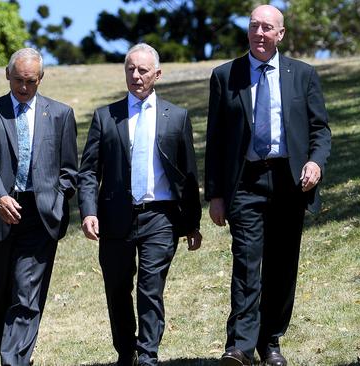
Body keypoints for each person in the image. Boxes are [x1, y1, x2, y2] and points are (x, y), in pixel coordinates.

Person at [205, 4, 331, 366]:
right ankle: (240, 346)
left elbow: (320, 129)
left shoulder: (302, 74)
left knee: (281, 265)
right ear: (248, 31)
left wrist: (315, 162)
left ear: (281, 34)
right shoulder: (225, 75)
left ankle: (270, 341)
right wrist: (215, 195)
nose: (260, 33)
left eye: (267, 28)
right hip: (245, 181)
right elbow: (215, 140)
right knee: (246, 262)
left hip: (290, 182)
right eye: (254, 26)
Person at [78, 43, 202, 366]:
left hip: (160, 217)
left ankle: (148, 355)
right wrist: (89, 211)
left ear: (157, 74)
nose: (136, 75)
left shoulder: (176, 117)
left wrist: (192, 223)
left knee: (150, 288)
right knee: (117, 289)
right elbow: (89, 170)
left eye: (143, 70)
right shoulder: (106, 117)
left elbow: (188, 174)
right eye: (130, 69)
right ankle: (126, 351)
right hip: (116, 216)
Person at [0, 48, 78, 366]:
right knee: (1, 295)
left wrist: (57, 199)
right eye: (18, 79)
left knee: (26, 292)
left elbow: (69, 170)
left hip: (40, 216)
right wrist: (0, 196)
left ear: (40, 79)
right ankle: (17, 355)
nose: (23, 87)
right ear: (7, 75)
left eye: (31, 81)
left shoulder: (60, 114)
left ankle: (12, 360)